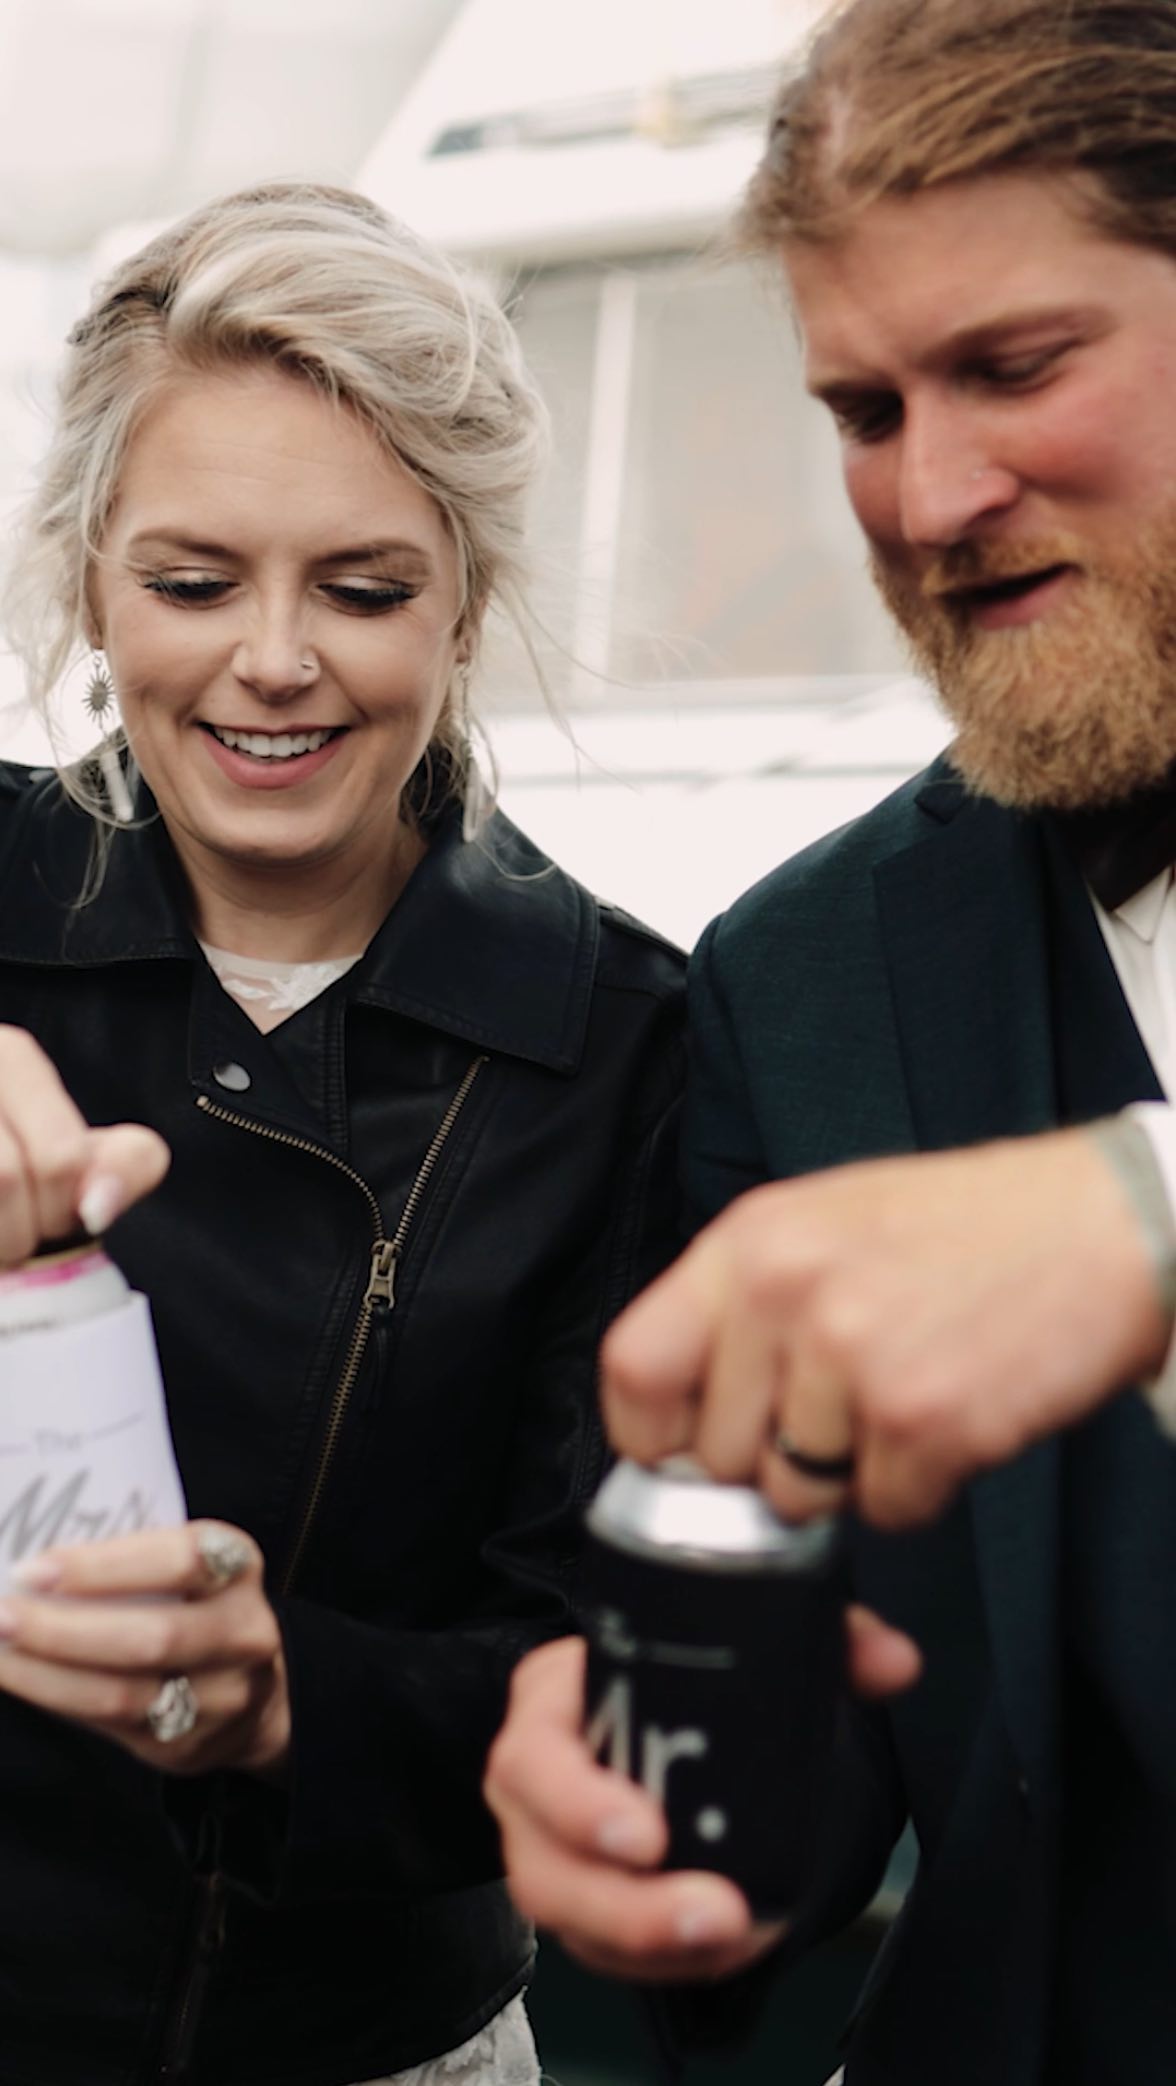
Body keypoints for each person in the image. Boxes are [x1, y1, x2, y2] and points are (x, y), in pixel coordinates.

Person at [485, 2, 1176, 2077]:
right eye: (862, 408)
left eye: (1016, 366)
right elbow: (821, 1771)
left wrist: (1144, 1217)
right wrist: (657, 1785)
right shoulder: (801, 977)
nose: (933, 493)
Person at [0, 182, 684, 2086]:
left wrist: (288, 1696)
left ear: (469, 602)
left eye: (364, 591)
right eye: (193, 583)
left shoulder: (627, 1042)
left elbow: (620, 1660)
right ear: (90, 585)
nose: (275, 659)